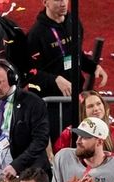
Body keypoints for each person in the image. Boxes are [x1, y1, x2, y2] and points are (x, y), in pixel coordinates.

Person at [27, 0, 107, 141]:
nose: (63, 3)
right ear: (45, 2)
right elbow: (30, 72)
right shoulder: (36, 34)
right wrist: (55, 79)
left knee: (82, 140)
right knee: (61, 142)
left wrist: (93, 67)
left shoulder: (73, 22)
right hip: (52, 104)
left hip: (76, 96)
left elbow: (77, 55)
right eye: (57, 0)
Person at [52, 91, 114, 157]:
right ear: (82, 111)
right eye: (90, 106)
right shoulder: (69, 133)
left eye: (98, 104)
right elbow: (60, 157)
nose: (96, 109)